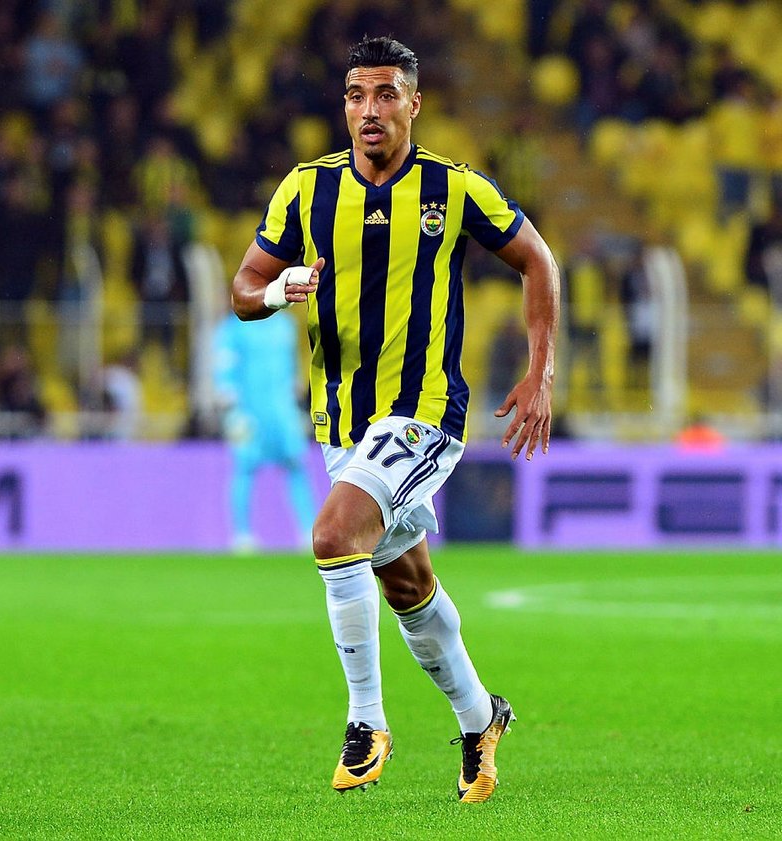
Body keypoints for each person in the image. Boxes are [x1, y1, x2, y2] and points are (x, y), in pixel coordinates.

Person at [231, 36, 560, 803]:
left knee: (332, 535)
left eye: (385, 94)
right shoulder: (305, 190)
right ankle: (481, 718)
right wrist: (280, 290)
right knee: (407, 585)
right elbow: (243, 288)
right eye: (356, 94)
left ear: (415, 102)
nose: (369, 109)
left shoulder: (455, 187)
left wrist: (540, 373)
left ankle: (366, 720)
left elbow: (537, 259)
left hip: (424, 414)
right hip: (343, 424)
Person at [211, 307, 316, 552]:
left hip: (283, 412)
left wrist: (297, 402)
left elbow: (291, 368)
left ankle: (309, 531)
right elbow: (223, 370)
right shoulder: (232, 328)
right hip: (249, 411)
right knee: (244, 467)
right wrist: (231, 411)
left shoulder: (285, 325)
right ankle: (242, 535)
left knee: (297, 465)